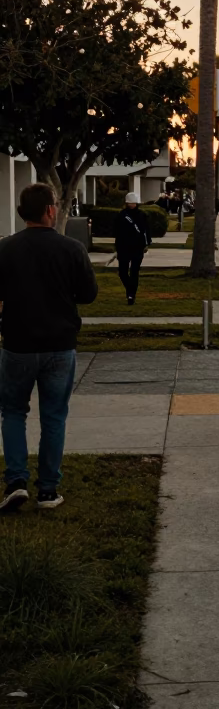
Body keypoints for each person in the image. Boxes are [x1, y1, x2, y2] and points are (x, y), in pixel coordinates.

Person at [0, 183, 98, 512]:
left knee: (13, 412)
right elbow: (88, 294)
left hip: (17, 344)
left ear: (21, 213)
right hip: (59, 345)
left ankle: (15, 481)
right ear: (50, 211)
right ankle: (48, 490)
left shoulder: (5, 249)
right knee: (54, 417)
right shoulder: (71, 249)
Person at [113, 192, 152, 304]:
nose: (132, 205)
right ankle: (130, 290)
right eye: (130, 203)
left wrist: (146, 243)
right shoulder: (121, 215)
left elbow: (146, 230)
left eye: (133, 203)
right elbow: (117, 231)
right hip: (124, 247)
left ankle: (131, 295)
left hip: (137, 247)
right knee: (123, 272)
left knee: (134, 272)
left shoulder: (141, 215)